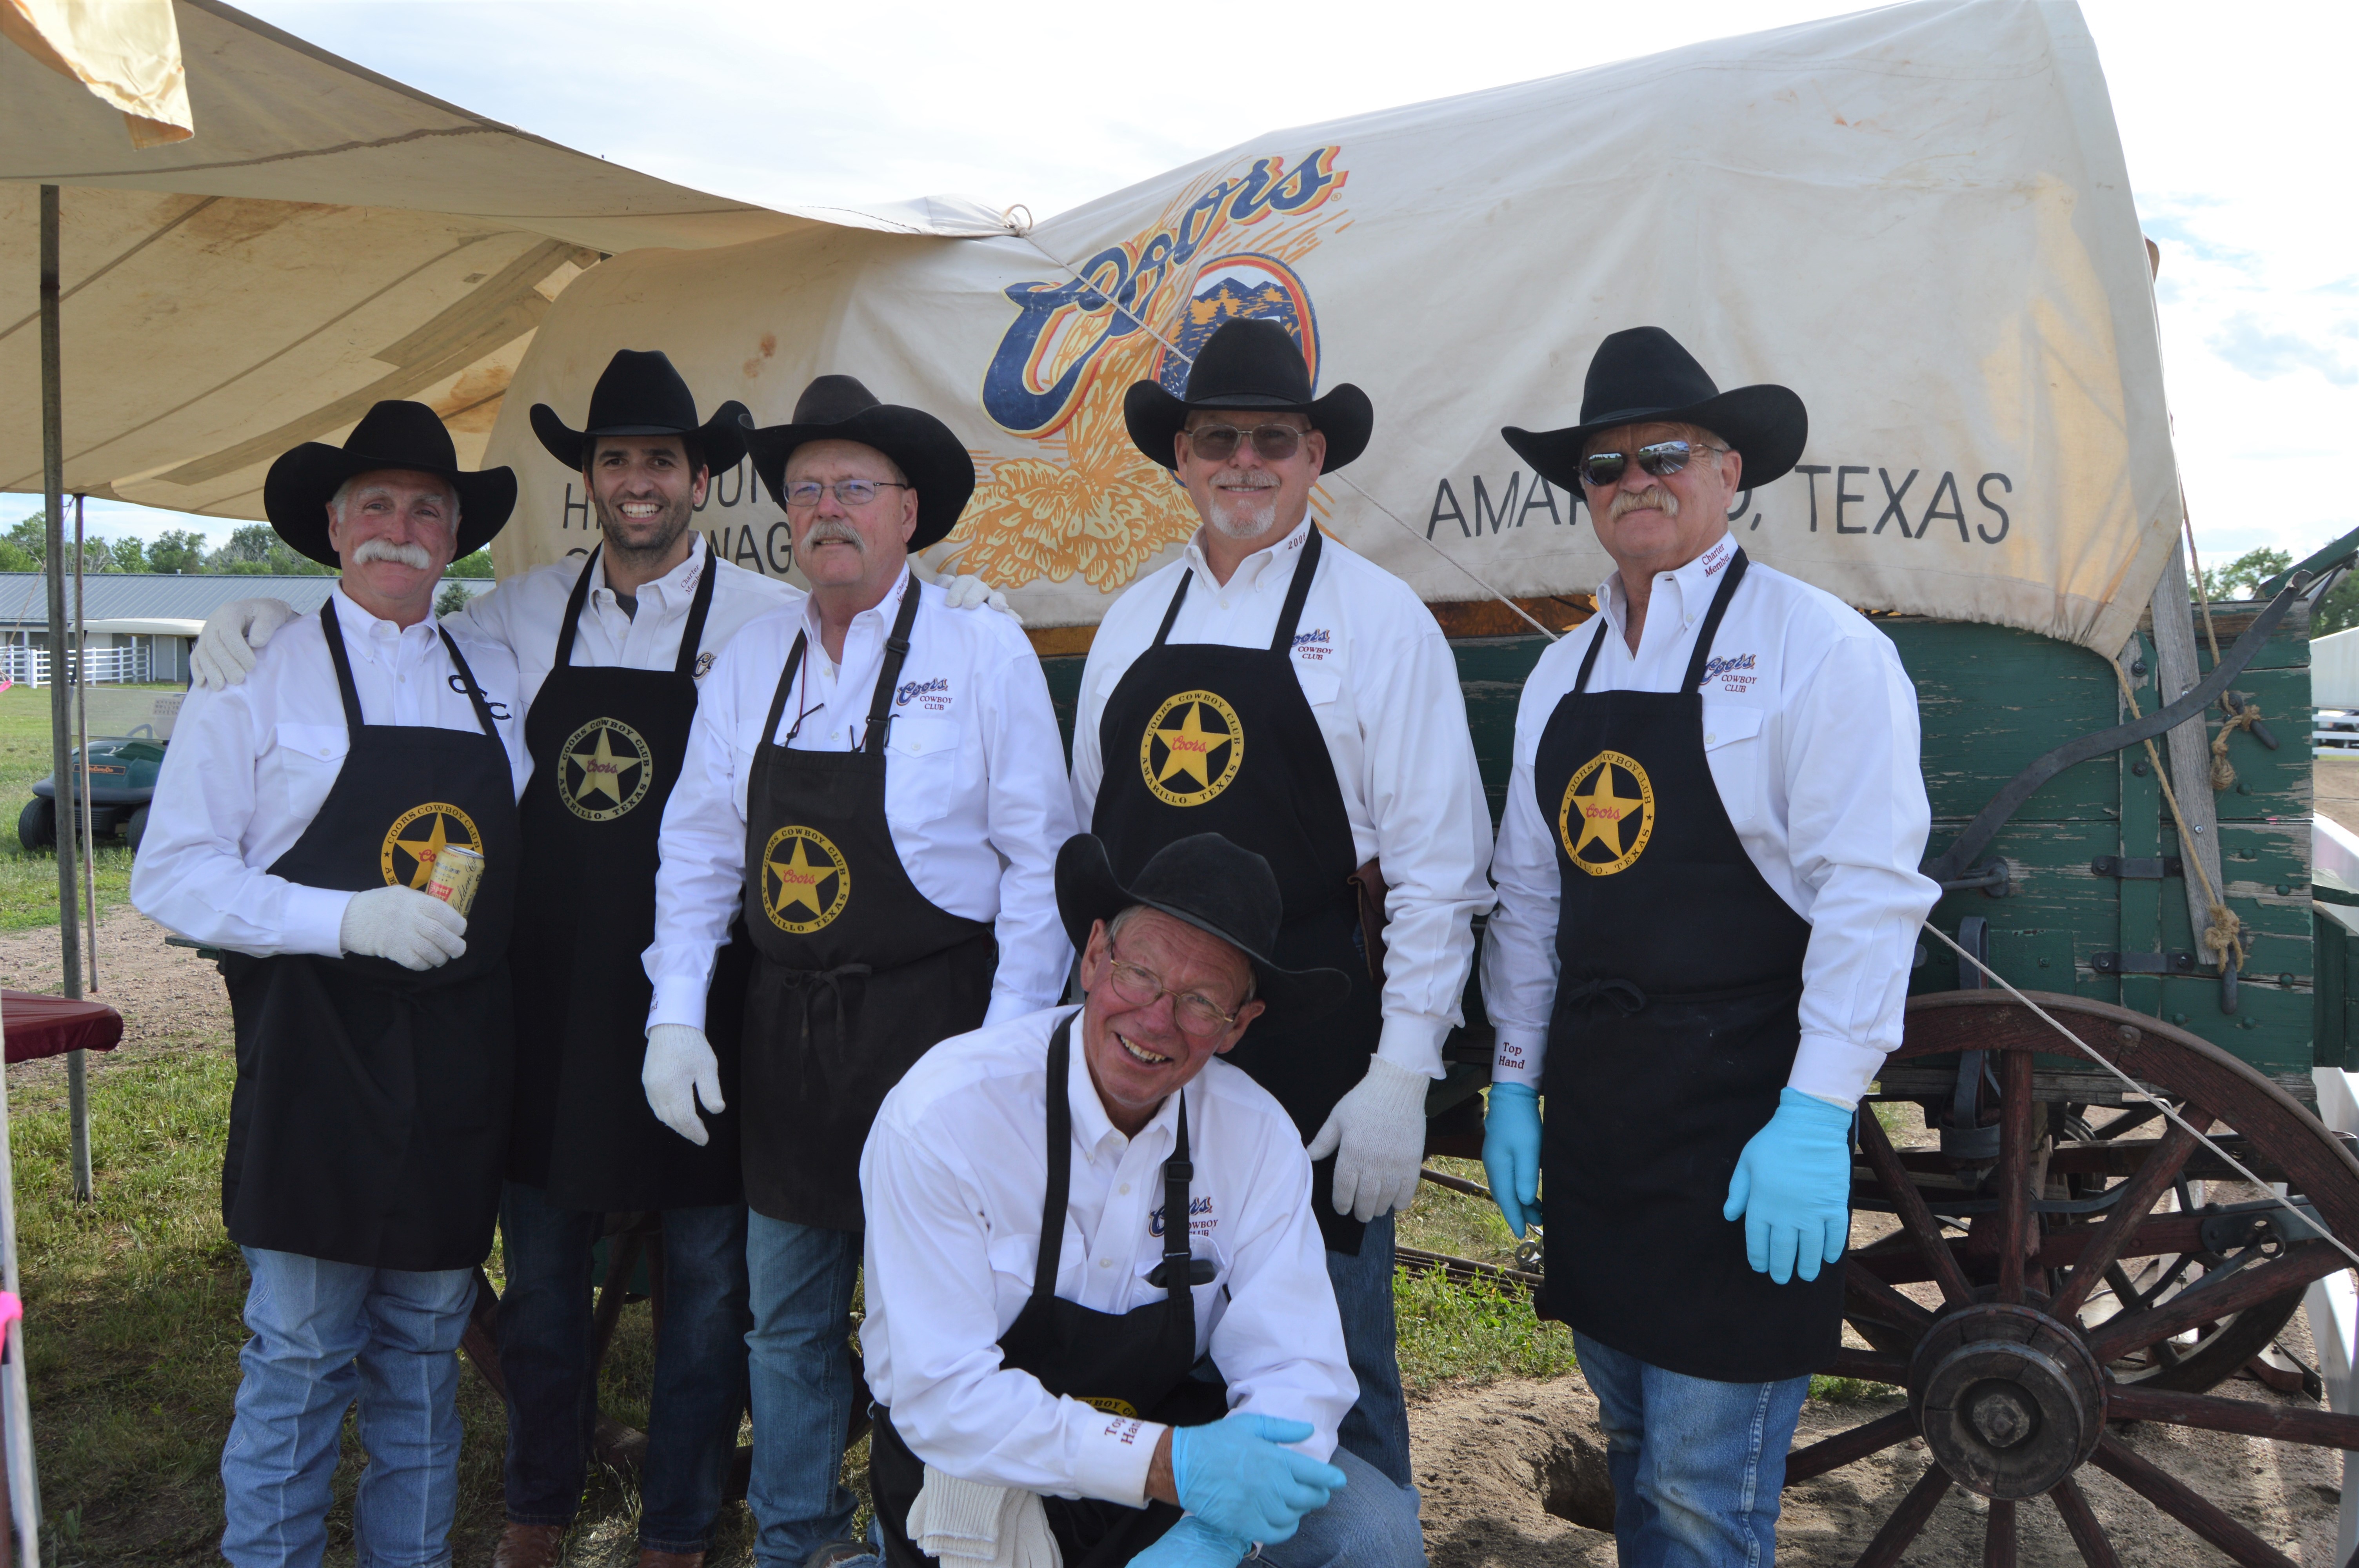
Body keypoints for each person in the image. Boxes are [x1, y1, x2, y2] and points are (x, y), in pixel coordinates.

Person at [1479, 326, 1939, 1567]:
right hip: (1604, 1119)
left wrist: (1814, 1116)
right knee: (1631, 1448)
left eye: (1664, 454)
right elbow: (1530, 899)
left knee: (1701, 1498)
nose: (1635, 480)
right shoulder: (1559, 676)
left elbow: (1868, 895)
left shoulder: (1822, 650)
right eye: (1604, 465)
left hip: (1744, 1125)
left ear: (1729, 468)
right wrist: (1515, 1080)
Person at [642, 374, 1077, 1566]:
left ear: (909, 510)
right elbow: (695, 847)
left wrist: (1006, 1057)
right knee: (782, 1321)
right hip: (787, 1036)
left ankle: (915, 1546)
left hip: (934, 1033)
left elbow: (1041, 869)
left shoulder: (982, 649)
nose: (825, 510)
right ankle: (793, 1539)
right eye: (806, 490)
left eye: (853, 488)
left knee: (924, 1330)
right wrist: (675, 1016)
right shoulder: (750, 661)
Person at [1069, 316, 1492, 1492]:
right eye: (1218, 440)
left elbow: (1437, 866)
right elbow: (1092, 840)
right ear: (1182, 458)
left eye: (1272, 440)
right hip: (1144, 1043)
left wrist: (1401, 1076)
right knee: (1145, 1337)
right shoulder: (1129, 625)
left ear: (1314, 458)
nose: (1243, 462)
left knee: (1333, 1361)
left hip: (1312, 1046)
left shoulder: (1379, 622)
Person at [132, 401, 532, 1568]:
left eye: (425, 509)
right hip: (316, 1056)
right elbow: (176, 876)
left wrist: (957, 593)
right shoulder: (257, 668)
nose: (399, 530)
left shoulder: (496, 666)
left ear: (454, 537)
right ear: (332, 524)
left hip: (459, 1059)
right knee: (300, 1358)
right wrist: (343, 917)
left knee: (422, 1356)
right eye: (376, 505)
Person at [829, 831, 1428, 1568]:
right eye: (1140, 973)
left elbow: (1298, 1372)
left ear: (1239, 1026)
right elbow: (942, 1395)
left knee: (1372, 1539)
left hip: (1167, 1487)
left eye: (1201, 1002)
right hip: (978, 1472)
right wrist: (1172, 1466)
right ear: (1092, 958)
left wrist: (1218, 1532)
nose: (1155, 1020)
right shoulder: (945, 1116)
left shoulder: (1257, 1138)